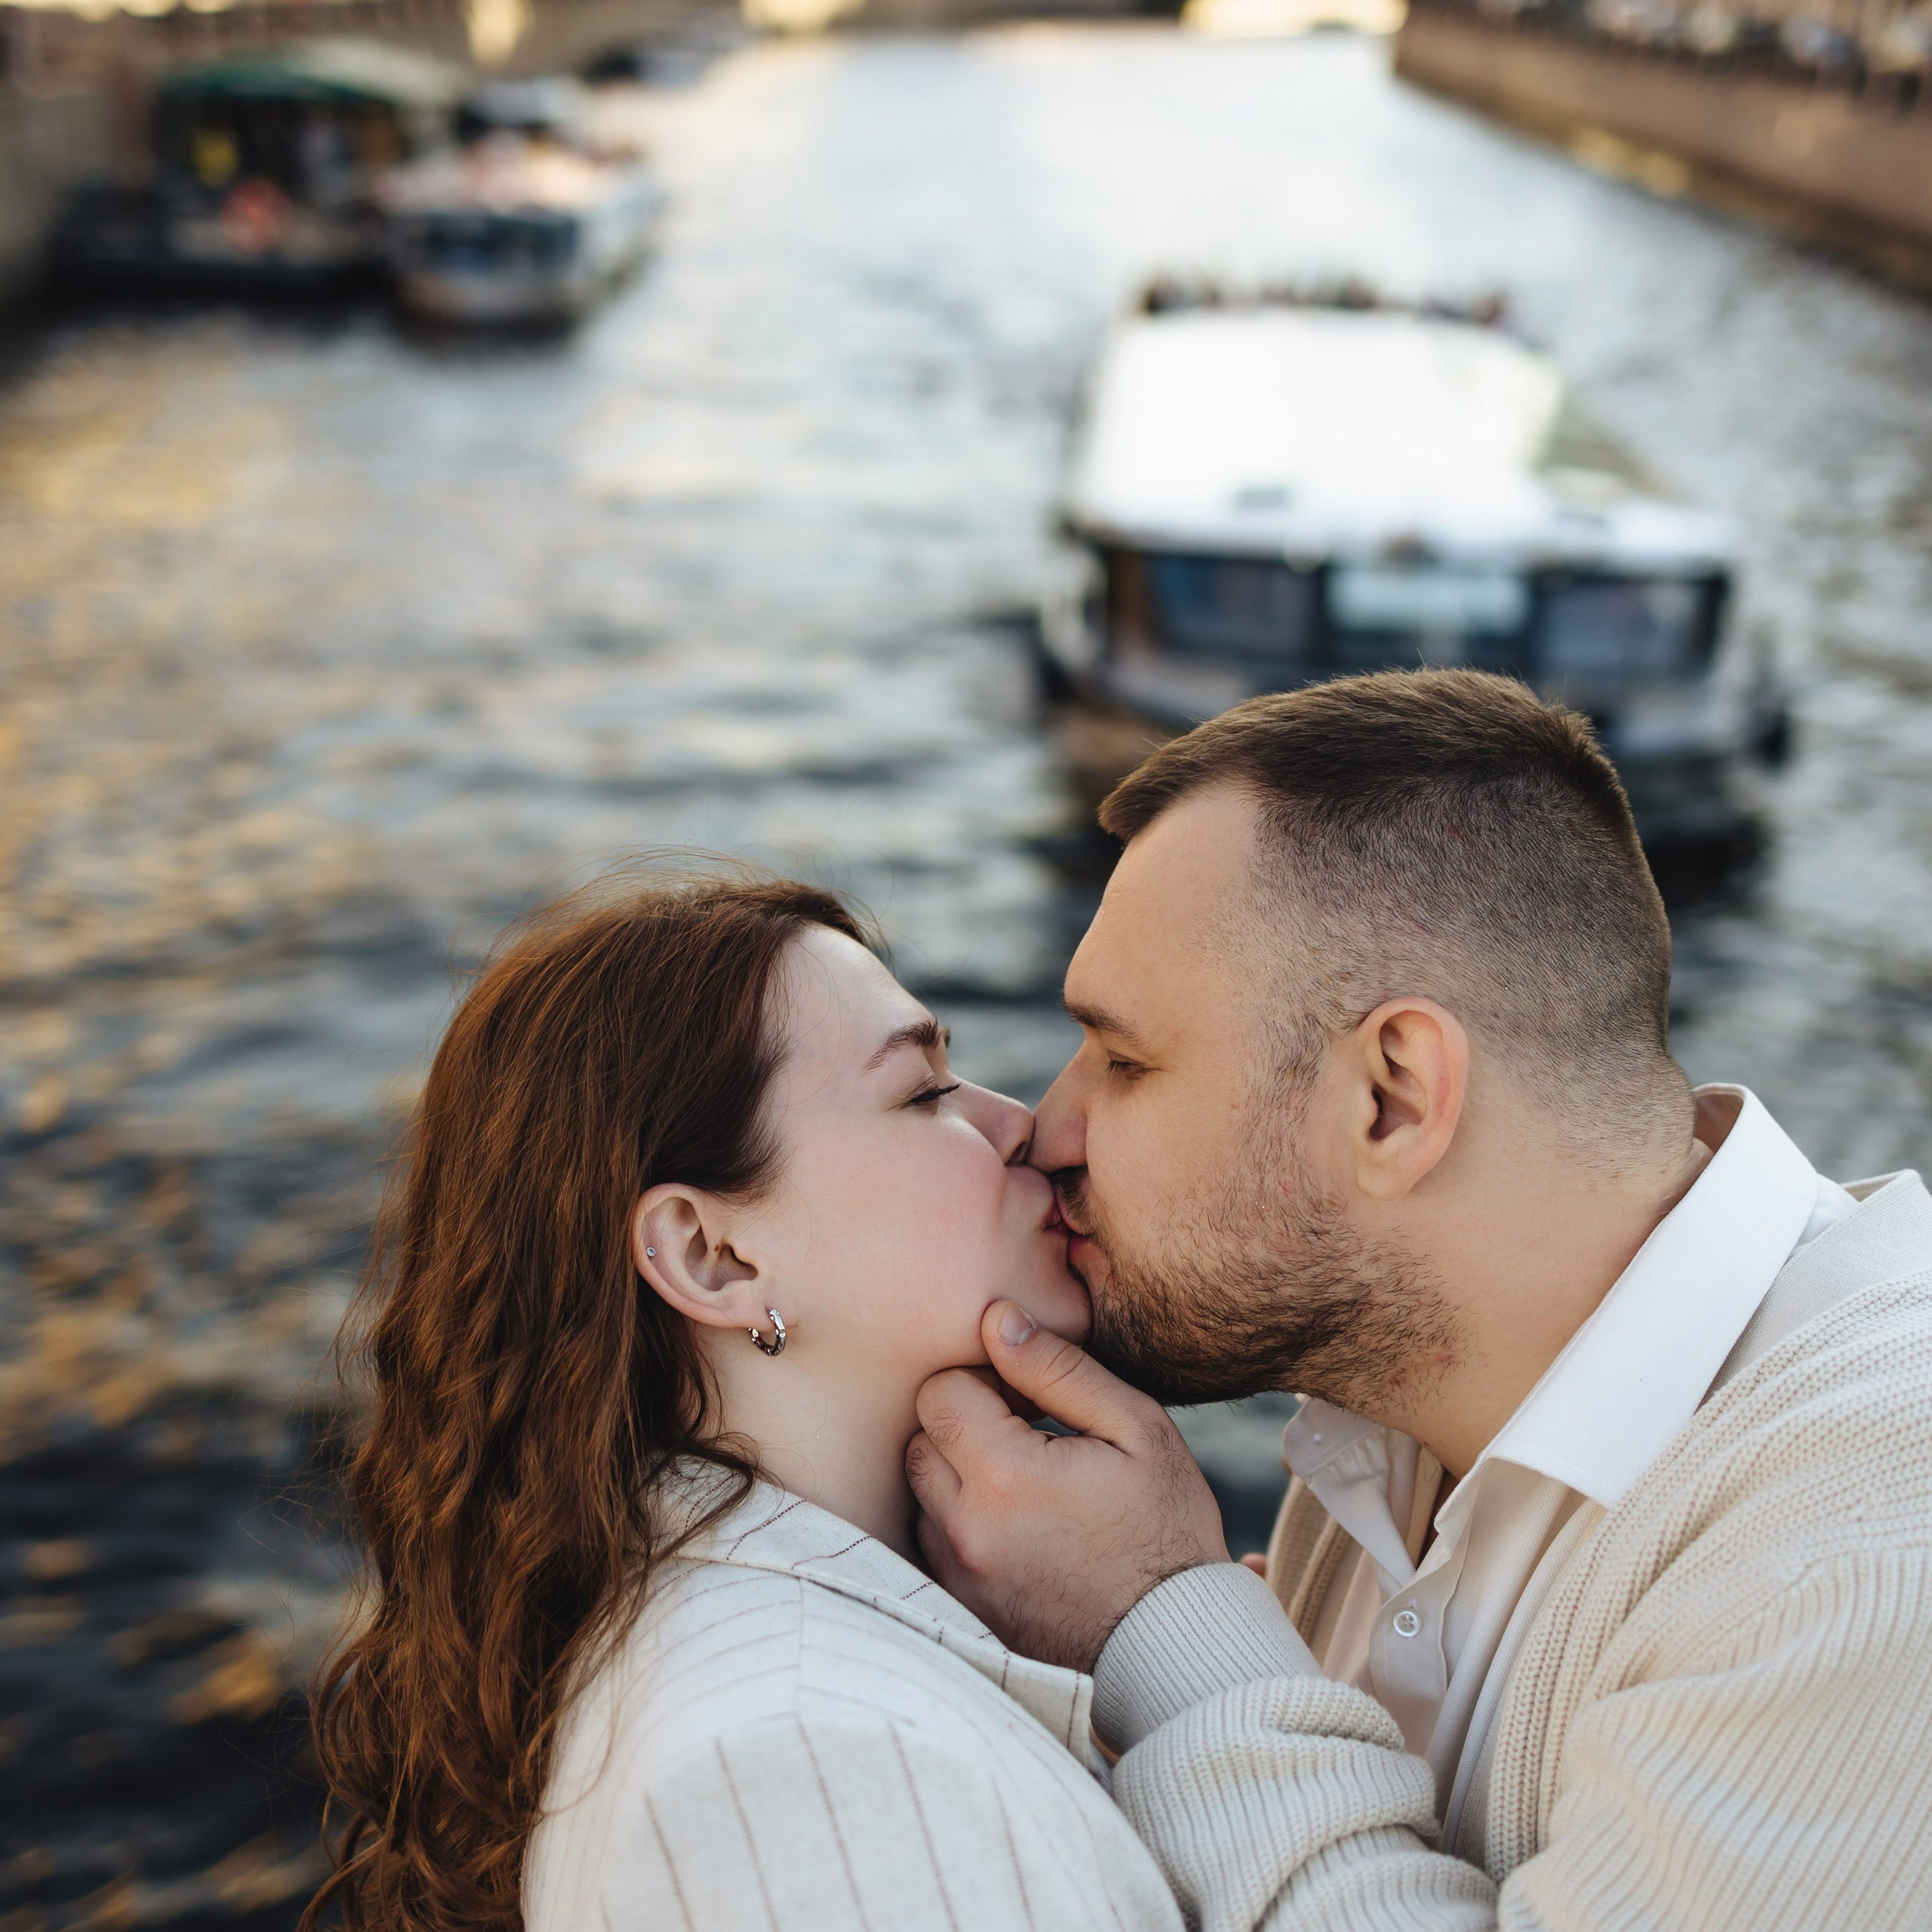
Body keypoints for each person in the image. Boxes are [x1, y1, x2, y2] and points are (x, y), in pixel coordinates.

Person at [908, 667, 1932, 1930]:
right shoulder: (1392, 1413)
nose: (1043, 1128)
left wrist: (1164, 1628)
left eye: (1123, 1059)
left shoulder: (1875, 1550)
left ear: (1392, 1100)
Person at [303, 875, 1187, 1932]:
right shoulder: (801, 1770)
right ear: (711, 1256)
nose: (1021, 1125)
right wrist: (1197, 1667)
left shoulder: (761, 1688)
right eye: (922, 1093)